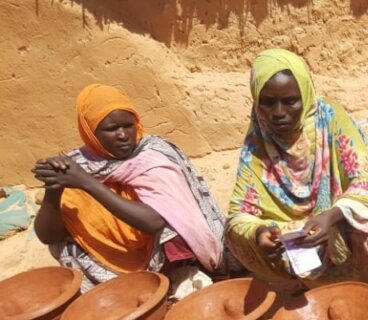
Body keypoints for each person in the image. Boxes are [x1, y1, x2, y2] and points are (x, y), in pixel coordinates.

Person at [32, 84, 228, 292]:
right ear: (90, 132)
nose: (123, 135)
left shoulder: (152, 154)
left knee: (174, 222)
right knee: (66, 244)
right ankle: (120, 292)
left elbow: (154, 222)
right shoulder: (76, 165)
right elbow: (48, 236)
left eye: (128, 125)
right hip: (109, 259)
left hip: (155, 248)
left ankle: (172, 278)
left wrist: (87, 183)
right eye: (111, 129)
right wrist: (53, 190)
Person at [227, 48, 368, 293]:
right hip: (301, 230)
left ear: (305, 95)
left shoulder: (331, 120)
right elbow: (238, 214)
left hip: (340, 216)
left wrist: (332, 216)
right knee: (239, 238)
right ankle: (323, 290)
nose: (279, 113)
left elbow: (367, 181)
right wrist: (260, 232)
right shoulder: (257, 143)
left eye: (290, 101)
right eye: (268, 103)